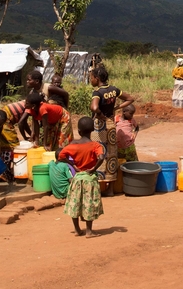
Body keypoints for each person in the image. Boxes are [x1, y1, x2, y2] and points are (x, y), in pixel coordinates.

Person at [57, 116, 106, 238]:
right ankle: (89, 231)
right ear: (92, 131)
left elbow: (60, 156)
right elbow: (101, 157)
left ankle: (78, 229)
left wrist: (73, 164)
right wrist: (94, 168)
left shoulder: (73, 145)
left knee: (75, 203)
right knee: (89, 204)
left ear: (78, 131)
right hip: (90, 179)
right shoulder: (95, 145)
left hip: (77, 178)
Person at [90, 67, 134, 197]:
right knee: (111, 154)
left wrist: (99, 114)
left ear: (97, 79)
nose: (91, 80)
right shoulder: (113, 89)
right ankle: (110, 189)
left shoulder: (97, 92)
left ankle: (98, 187)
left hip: (99, 127)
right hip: (111, 125)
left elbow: (94, 107)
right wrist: (116, 107)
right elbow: (130, 99)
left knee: (98, 153)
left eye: (91, 77)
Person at [0, 99, 29, 184]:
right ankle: (4, 173)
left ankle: (3, 172)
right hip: (5, 117)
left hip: (4, 115)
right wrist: (26, 137)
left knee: (7, 146)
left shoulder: (28, 102)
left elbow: (24, 122)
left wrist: (28, 136)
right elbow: (21, 123)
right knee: (11, 145)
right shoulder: (29, 106)